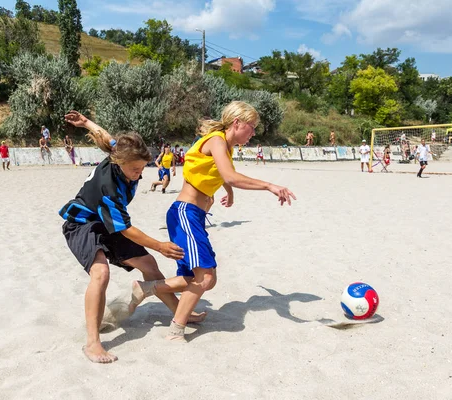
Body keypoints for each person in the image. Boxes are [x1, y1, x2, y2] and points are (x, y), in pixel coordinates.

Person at [129, 101, 296, 342]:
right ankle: (176, 329)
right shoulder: (217, 140)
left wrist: (228, 190)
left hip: (193, 216)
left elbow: (220, 173)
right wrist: (269, 185)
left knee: (206, 278)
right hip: (185, 214)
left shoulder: (225, 147)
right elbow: (229, 174)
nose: (253, 133)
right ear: (236, 123)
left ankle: (148, 290)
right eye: (251, 127)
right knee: (204, 277)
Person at [59, 110, 202, 363]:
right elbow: (125, 228)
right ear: (119, 163)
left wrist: (86, 123)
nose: (139, 173)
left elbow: (108, 139)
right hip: (82, 225)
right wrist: (159, 245)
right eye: (135, 169)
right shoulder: (109, 187)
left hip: (104, 223)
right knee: (101, 273)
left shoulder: (120, 153)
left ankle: (180, 312)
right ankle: (92, 343)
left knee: (148, 265)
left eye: (142, 167)